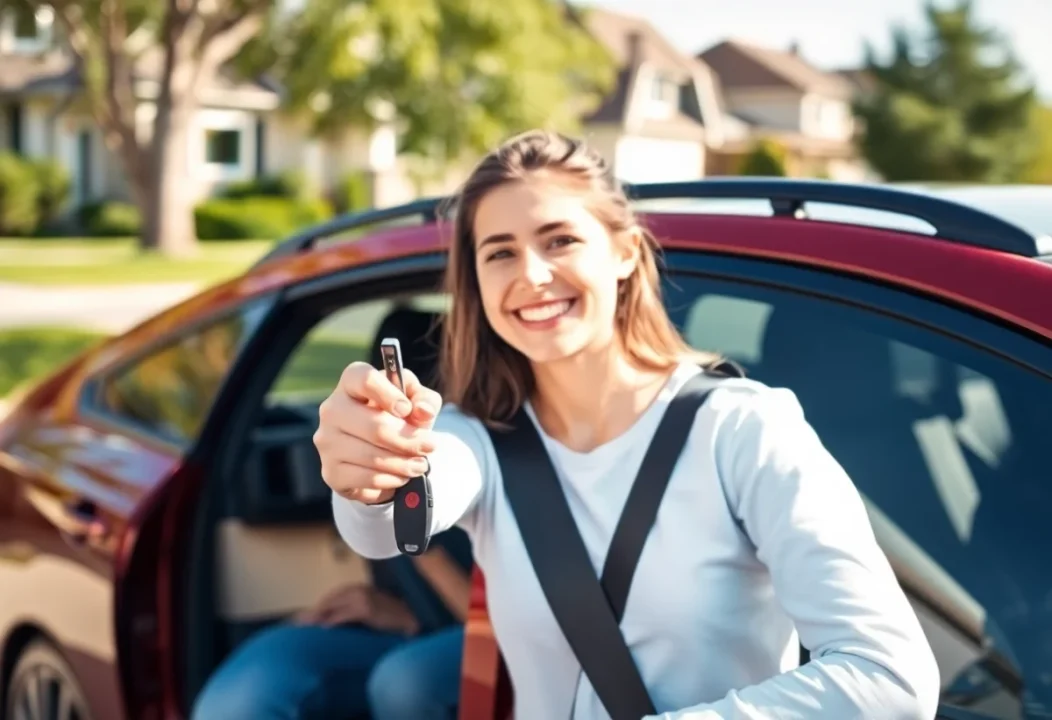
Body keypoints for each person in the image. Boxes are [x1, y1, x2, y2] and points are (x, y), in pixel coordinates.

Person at [313, 130, 942, 719]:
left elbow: (891, 675)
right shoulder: (475, 439)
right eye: (500, 252)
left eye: (558, 240)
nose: (531, 274)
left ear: (624, 252)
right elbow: (386, 526)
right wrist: (366, 471)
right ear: (476, 284)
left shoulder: (743, 430)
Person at [190, 530, 470, 720]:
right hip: (413, 623)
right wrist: (411, 609)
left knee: (405, 683)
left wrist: (418, 536)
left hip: (490, 625)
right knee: (246, 692)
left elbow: (508, 623)